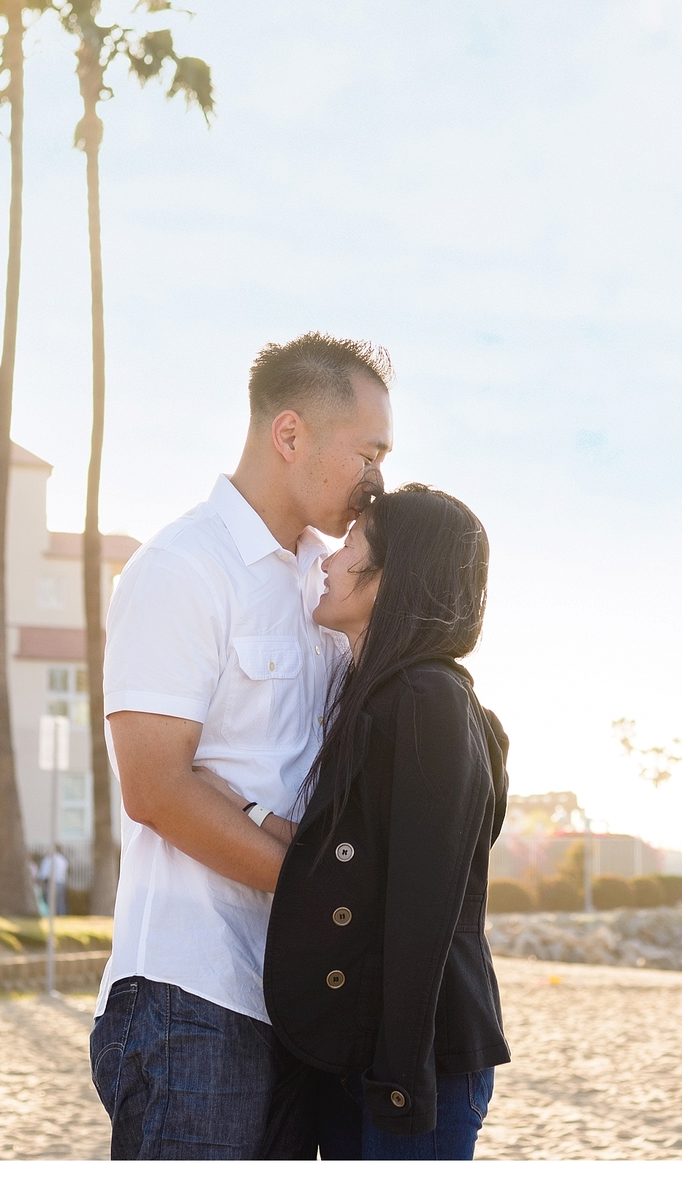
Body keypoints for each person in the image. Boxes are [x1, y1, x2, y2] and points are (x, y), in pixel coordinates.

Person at [88, 334, 395, 1160]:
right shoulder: (182, 568)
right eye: (368, 453)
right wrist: (327, 895)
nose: (379, 480)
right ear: (289, 436)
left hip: (295, 1001)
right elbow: (153, 787)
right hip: (193, 995)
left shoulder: (328, 585)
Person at [257, 483, 510, 1160]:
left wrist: (399, 1079)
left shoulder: (430, 699)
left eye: (351, 546)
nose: (329, 561)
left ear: (392, 577)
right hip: (364, 1053)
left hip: (416, 1059)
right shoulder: (383, 694)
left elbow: (423, 905)